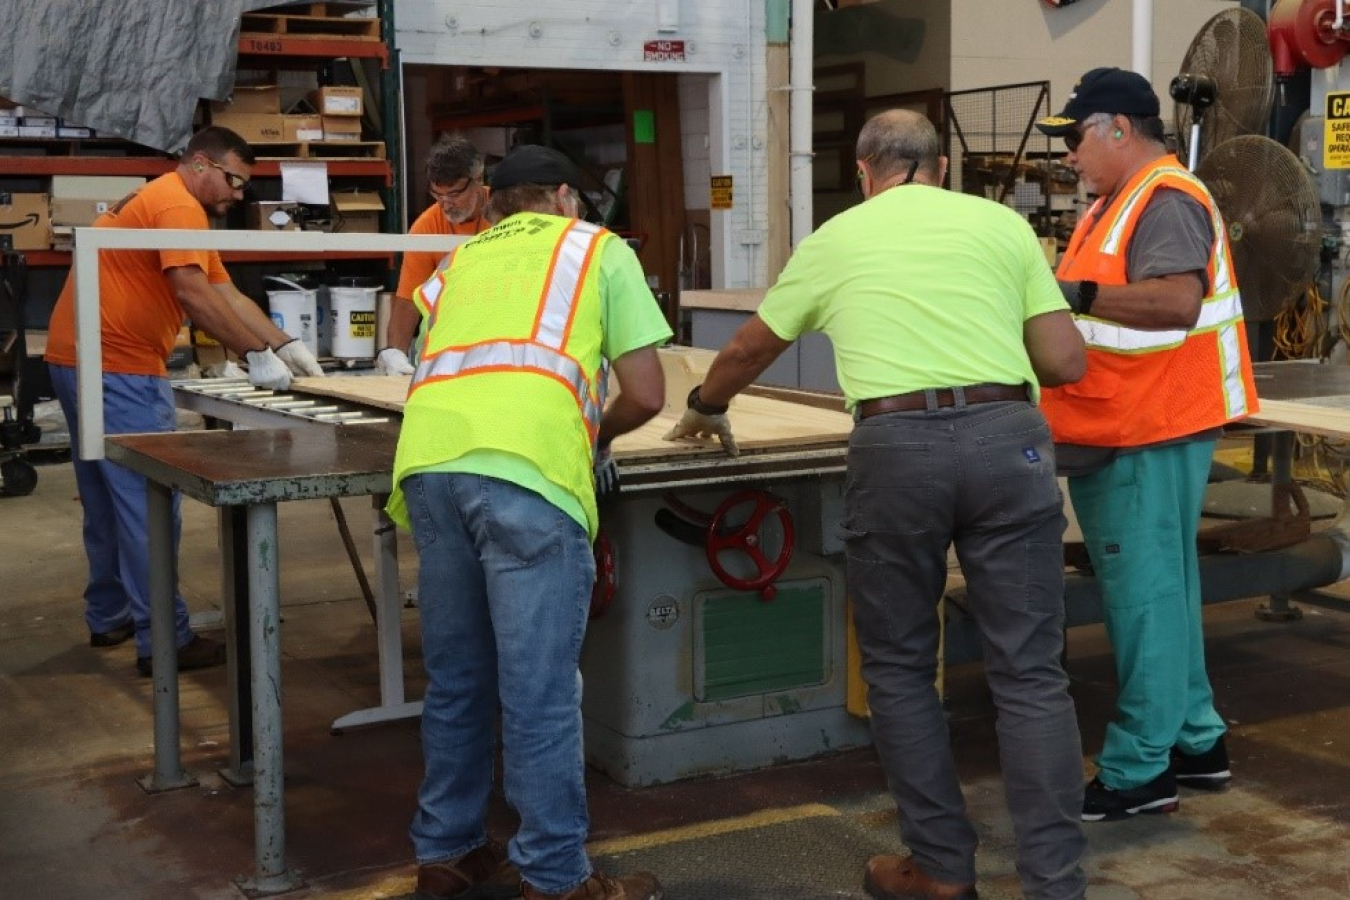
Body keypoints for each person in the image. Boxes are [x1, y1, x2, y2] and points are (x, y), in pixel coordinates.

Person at [665, 109, 1088, 900]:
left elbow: (748, 349)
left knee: (897, 667)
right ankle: (1056, 886)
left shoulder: (838, 238)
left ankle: (939, 870)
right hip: (1009, 441)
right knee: (1031, 675)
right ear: (940, 168)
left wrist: (705, 404)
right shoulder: (1002, 227)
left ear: (865, 171)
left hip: (898, 452)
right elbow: (1065, 359)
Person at [386, 144, 670, 900]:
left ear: (495, 206)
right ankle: (555, 877)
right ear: (568, 200)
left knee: (458, 679)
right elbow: (646, 393)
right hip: (527, 473)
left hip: (430, 467)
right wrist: (592, 436)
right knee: (539, 689)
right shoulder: (596, 249)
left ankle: (447, 854)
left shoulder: (456, 264)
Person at [1034, 67, 1258, 821]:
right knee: (1166, 596)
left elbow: (1175, 301)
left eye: (1075, 137)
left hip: (1147, 425)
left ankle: (1139, 771)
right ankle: (1196, 743)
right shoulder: (1115, 202)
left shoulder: (1163, 199)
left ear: (1118, 129)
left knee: (1144, 604)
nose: (1069, 155)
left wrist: (1070, 297)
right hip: (1128, 421)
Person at [44, 126, 325, 676]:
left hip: (75, 357)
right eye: (234, 181)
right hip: (120, 367)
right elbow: (191, 292)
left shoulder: (163, 199)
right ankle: (164, 641)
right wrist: (251, 354)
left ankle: (110, 614)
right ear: (202, 163)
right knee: (147, 505)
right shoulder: (178, 204)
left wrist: (282, 343)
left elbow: (225, 290)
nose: (238, 195)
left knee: (104, 499)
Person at [376, 134, 492, 376]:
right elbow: (408, 303)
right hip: (447, 354)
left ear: (478, 179)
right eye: (437, 194)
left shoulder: (507, 213)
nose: (445, 204)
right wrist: (394, 355)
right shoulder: (426, 227)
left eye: (454, 194)